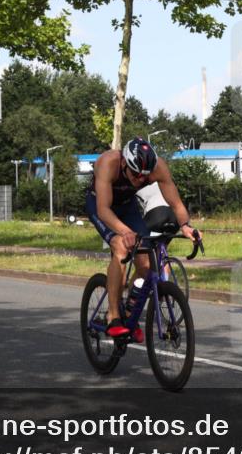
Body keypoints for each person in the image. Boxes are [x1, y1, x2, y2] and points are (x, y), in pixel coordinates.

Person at [85, 137, 199, 340]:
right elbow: (103, 209)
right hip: (100, 205)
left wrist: (185, 226)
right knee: (120, 247)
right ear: (123, 163)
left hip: (128, 206)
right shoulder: (108, 162)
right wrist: (124, 231)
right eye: (135, 174)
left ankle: (130, 312)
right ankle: (113, 315)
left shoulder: (158, 168)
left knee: (146, 262)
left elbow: (176, 203)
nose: (139, 180)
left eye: (144, 176)